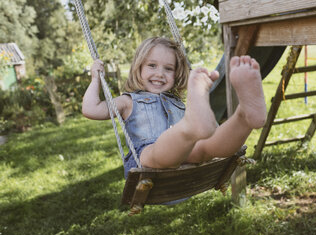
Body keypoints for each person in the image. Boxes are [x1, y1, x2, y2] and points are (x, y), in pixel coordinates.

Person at [82, 37, 267, 178]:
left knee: (205, 148)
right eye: (152, 66)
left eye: (168, 69)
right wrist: (96, 79)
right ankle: (191, 128)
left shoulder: (175, 101)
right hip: (146, 160)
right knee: (160, 152)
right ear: (138, 68)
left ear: (176, 73)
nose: (160, 74)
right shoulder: (127, 101)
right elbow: (91, 109)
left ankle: (245, 116)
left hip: (182, 153)